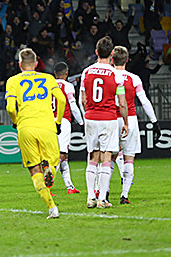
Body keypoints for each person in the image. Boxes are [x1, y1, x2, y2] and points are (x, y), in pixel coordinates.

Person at [5, 48, 66, 219]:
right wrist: (58, 121)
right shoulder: (48, 78)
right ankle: (50, 172)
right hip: (47, 125)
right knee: (53, 163)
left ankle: (52, 207)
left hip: (26, 127)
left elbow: (10, 107)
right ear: (37, 63)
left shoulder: (12, 81)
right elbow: (61, 99)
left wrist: (16, 122)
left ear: (19, 64)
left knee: (34, 170)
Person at [80, 36, 128, 209]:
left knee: (92, 156)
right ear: (112, 54)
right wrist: (125, 122)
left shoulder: (87, 71)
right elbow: (122, 102)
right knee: (106, 157)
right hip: (108, 118)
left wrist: (88, 112)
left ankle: (90, 197)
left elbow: (83, 99)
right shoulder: (116, 74)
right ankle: (102, 199)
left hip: (91, 117)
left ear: (96, 52)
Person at [111, 46, 161, 204]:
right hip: (130, 119)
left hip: (111, 119)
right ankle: (124, 195)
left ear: (112, 60)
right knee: (129, 158)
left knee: (108, 158)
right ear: (127, 60)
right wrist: (154, 122)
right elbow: (144, 102)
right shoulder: (134, 78)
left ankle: (102, 193)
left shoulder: (109, 77)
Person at [53, 62, 84, 194]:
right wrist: (81, 122)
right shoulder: (68, 86)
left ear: (55, 73)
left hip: (48, 121)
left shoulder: (48, 84)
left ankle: (69, 186)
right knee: (61, 154)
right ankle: (47, 185)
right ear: (66, 73)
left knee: (63, 155)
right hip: (63, 121)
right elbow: (72, 105)